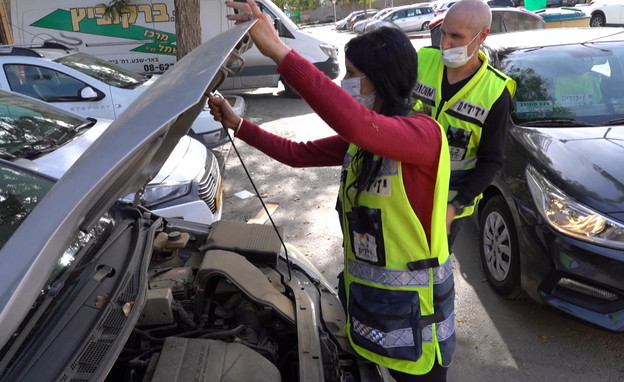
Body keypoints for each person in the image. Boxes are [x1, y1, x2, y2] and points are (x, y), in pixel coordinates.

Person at [209, 1, 454, 380]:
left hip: (414, 318)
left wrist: (280, 52)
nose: (345, 83)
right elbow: (295, 154)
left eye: (353, 74)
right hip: (365, 302)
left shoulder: (421, 135)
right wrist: (238, 124)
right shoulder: (366, 140)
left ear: (380, 78)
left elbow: (357, 125)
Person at [412, 0, 516, 249]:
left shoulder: (495, 92)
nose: (444, 44)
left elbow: (491, 159)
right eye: (443, 33)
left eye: (456, 37)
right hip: (403, 192)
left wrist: (455, 206)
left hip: (446, 206)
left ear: (482, 36)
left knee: (430, 276)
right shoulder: (423, 60)